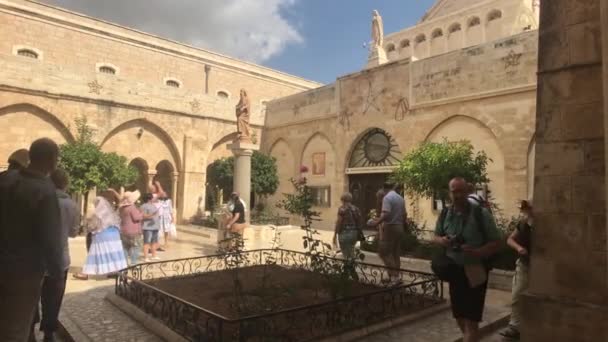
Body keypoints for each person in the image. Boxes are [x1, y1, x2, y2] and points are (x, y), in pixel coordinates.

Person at [0, 138, 63, 342]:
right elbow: (51, 238)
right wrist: (57, 272)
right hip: (23, 272)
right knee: (16, 330)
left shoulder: (6, 179)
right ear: (52, 160)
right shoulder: (44, 191)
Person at [433, 177, 502, 342]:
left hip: (475, 271)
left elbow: (497, 242)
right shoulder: (445, 213)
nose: (457, 195)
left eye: (460, 191)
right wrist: (442, 241)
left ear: (467, 191)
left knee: (471, 320)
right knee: (459, 315)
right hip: (454, 271)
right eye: (454, 191)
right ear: (449, 193)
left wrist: (478, 252)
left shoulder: (480, 213)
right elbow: (435, 236)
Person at [32, 169, 80, 342]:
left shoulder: (38, 200)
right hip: (60, 259)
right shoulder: (72, 205)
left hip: (37, 259)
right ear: (65, 184)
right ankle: (49, 333)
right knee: (54, 298)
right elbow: (74, 233)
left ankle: (30, 330)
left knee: (34, 296)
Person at [74, 190, 128, 279]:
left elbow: (93, 226)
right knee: (114, 254)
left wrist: (88, 225)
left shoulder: (99, 213)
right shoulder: (111, 212)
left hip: (102, 235)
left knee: (94, 253)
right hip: (114, 235)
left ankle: (86, 273)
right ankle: (117, 271)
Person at [500, 199, 533, 340]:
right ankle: (514, 328)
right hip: (525, 265)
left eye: (527, 208)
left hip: (541, 267)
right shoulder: (523, 223)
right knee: (517, 295)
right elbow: (510, 239)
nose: (524, 211)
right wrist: (519, 248)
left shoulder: (545, 224)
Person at [368, 183, 406, 285]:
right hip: (399, 226)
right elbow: (404, 214)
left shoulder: (387, 198)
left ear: (384, 189)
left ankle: (394, 277)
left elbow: (386, 214)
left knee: (383, 251)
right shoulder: (400, 198)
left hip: (390, 227)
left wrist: (377, 222)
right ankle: (395, 276)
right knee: (395, 253)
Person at [333, 192, 363, 259]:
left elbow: (339, 222)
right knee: (351, 252)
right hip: (354, 233)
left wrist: (335, 235)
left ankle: (348, 268)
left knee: (346, 255)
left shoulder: (342, 209)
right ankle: (351, 267)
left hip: (344, 233)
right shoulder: (356, 209)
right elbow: (360, 222)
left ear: (342, 200)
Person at [117, 188, 143, 266]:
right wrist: (141, 214)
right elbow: (136, 218)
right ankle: (133, 263)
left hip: (123, 231)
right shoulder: (132, 207)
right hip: (133, 231)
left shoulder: (121, 208)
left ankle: (124, 262)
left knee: (125, 247)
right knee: (135, 247)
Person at [141, 193, 161, 262]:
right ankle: (146, 257)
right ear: (150, 198)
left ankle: (154, 255)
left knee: (154, 242)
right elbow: (142, 216)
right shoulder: (144, 206)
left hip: (155, 227)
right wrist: (151, 215)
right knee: (146, 242)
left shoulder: (154, 205)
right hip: (148, 227)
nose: (154, 199)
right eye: (153, 197)